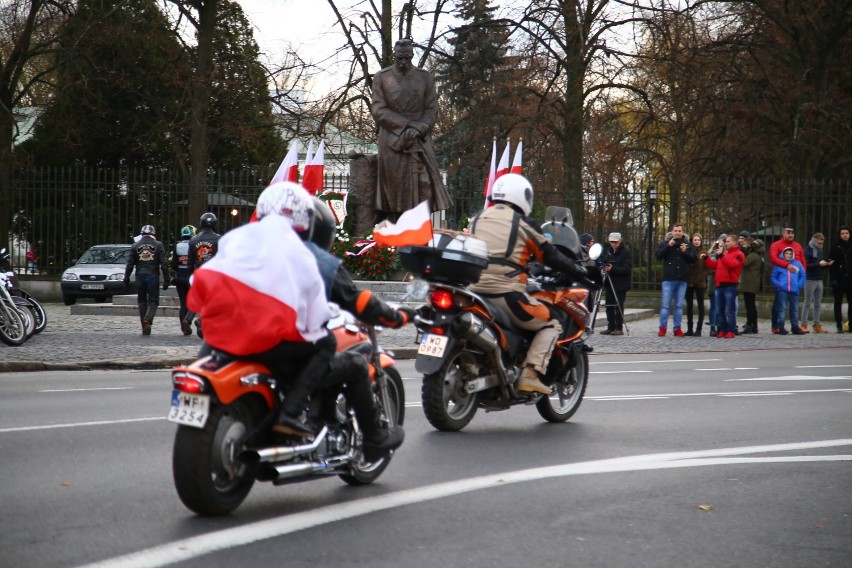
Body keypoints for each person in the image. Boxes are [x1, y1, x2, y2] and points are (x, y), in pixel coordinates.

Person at [187, 182, 407, 462]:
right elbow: (350, 302)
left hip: (222, 336)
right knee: (330, 344)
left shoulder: (239, 239)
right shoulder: (308, 254)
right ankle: (295, 415)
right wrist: (396, 316)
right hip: (268, 342)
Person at [468, 173, 588, 395]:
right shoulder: (522, 224)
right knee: (551, 323)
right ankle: (530, 374)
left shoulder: (477, 218)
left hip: (473, 293)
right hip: (504, 294)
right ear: (522, 196)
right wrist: (577, 269)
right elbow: (549, 255)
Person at [370, 38, 452, 221]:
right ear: (394, 56)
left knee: (425, 187)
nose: (403, 62)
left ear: (412, 55)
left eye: (407, 58)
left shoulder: (424, 77)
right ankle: (394, 231)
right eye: (400, 58)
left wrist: (420, 127)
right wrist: (406, 125)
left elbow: (432, 108)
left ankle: (421, 229)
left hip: (420, 138)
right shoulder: (382, 77)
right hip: (392, 140)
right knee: (394, 190)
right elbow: (378, 109)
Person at [123, 224, 169, 336]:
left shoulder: (135, 245)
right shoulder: (158, 245)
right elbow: (164, 264)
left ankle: (144, 326)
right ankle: (147, 319)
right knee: (153, 301)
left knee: (141, 301)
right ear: (154, 233)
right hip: (153, 275)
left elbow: (129, 264)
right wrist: (167, 279)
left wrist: (126, 278)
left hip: (140, 276)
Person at [655, 223, 697, 336]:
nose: (677, 233)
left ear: (683, 232)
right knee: (665, 305)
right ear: (672, 232)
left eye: (679, 231)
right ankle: (662, 327)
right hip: (668, 278)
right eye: (675, 231)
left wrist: (685, 252)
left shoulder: (687, 245)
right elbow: (658, 255)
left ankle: (677, 328)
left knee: (678, 305)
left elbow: (694, 259)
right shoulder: (665, 243)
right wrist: (668, 246)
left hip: (682, 279)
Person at [701, 234, 745, 338]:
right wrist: (706, 258)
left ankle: (731, 330)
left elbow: (732, 264)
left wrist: (721, 256)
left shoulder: (739, 254)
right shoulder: (725, 254)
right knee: (719, 310)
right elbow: (715, 265)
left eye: (728, 241)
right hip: (719, 284)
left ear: (735, 242)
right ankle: (723, 329)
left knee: (730, 310)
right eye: (726, 241)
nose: (726, 243)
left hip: (730, 285)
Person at [185, 212, 221, 334]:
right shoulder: (218, 239)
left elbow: (189, 262)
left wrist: (190, 276)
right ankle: (201, 322)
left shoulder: (193, 240)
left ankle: (188, 319)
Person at [598, 232, 632, 336]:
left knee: (618, 305)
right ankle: (610, 326)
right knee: (609, 305)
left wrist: (613, 269)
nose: (613, 244)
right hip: (610, 282)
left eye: (615, 242)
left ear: (620, 241)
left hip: (620, 284)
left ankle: (619, 327)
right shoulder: (608, 251)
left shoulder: (626, 252)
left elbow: (627, 269)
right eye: (611, 242)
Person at [770, 247, 807, 335]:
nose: (788, 255)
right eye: (787, 253)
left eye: (790, 254)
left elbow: (803, 275)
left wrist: (799, 285)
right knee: (782, 308)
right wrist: (779, 284)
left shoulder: (797, 264)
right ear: (783, 254)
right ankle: (781, 326)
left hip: (794, 290)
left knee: (794, 309)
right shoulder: (779, 265)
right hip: (782, 290)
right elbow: (773, 276)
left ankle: (795, 327)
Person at [800, 232, 832, 333]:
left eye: (822, 244)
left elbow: (819, 266)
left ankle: (816, 324)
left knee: (818, 303)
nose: (820, 245)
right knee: (807, 302)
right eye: (819, 243)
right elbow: (806, 265)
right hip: (810, 279)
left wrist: (826, 264)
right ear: (814, 240)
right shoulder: (808, 250)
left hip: (819, 279)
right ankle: (803, 324)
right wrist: (818, 264)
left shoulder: (819, 251)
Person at [170, 224, 196, 335]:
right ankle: (188, 321)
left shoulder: (177, 246)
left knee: (183, 303)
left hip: (180, 276)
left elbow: (174, 264)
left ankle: (183, 326)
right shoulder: (194, 245)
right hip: (191, 277)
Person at [684, 233, 710, 336]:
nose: (696, 242)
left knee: (700, 305)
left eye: (698, 240)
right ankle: (689, 328)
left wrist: (701, 276)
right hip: (689, 281)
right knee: (689, 305)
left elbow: (708, 268)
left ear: (701, 242)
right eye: (694, 240)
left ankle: (699, 329)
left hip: (700, 282)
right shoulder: (688, 251)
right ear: (691, 241)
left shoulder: (704, 253)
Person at [828, 225, 852, 333]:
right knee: (838, 303)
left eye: (846, 233)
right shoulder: (835, 247)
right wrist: (833, 279)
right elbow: (831, 265)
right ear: (839, 235)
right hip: (839, 279)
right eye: (842, 233)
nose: (845, 235)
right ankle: (839, 324)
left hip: (850, 279)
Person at [739, 238, 765, 334]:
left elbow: (744, 263)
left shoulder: (754, 255)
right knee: (751, 305)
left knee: (749, 306)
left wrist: (741, 253)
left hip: (749, 283)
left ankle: (750, 325)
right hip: (752, 282)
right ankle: (754, 326)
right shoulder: (758, 255)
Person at [706, 233, 726, 337]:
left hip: (723, 284)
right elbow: (710, 268)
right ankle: (713, 326)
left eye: (722, 246)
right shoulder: (712, 256)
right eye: (718, 246)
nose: (719, 248)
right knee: (714, 306)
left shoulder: (726, 256)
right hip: (713, 284)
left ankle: (720, 326)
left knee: (721, 307)